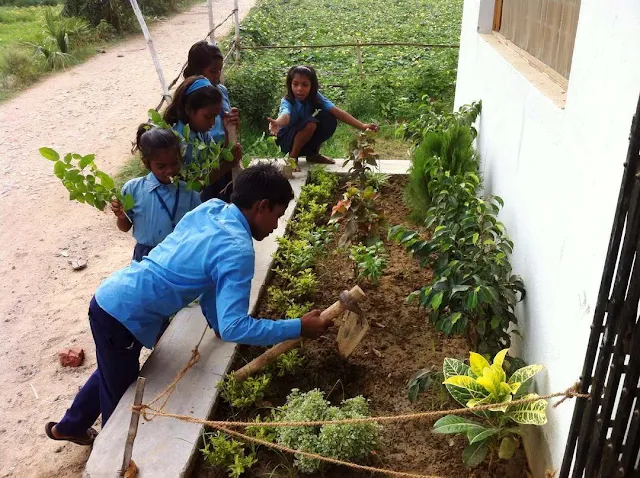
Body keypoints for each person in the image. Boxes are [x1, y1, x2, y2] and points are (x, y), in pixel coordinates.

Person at [45, 163, 333, 446]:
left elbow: (210, 283)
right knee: (119, 396)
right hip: (122, 317)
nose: (276, 226)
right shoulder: (238, 249)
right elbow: (235, 327)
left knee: (113, 370)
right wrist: (298, 327)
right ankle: (110, 455)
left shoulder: (211, 209)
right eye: (277, 216)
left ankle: (68, 428)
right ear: (262, 206)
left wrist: (218, 323)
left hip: (115, 295)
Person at [112, 125, 201, 262]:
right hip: (146, 257)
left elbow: (198, 226)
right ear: (146, 163)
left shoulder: (189, 191)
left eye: (174, 163)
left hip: (180, 255)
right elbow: (124, 228)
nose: (170, 170)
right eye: (161, 166)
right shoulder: (133, 189)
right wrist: (121, 216)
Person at [268, 65, 379, 171]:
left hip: (302, 133)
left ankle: (313, 155)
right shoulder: (287, 101)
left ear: (312, 86)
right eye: (295, 84)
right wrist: (277, 123)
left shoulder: (315, 97)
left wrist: (362, 126)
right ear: (290, 84)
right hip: (286, 139)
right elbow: (286, 116)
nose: (299, 89)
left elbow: (337, 112)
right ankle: (292, 159)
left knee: (328, 117)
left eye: (305, 85)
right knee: (311, 124)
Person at [164, 75, 241, 202]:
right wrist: (227, 165)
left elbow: (215, 159)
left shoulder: (199, 131)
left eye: (215, 117)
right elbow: (194, 184)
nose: (212, 123)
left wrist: (228, 133)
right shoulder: (178, 140)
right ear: (189, 110)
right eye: (208, 117)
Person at [183, 40, 239, 144]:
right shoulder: (191, 98)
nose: (218, 75)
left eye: (220, 70)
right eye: (213, 71)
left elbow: (226, 128)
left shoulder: (222, 91)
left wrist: (232, 125)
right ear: (197, 71)